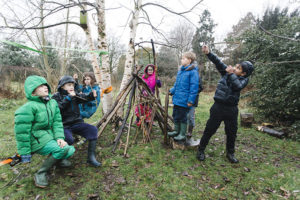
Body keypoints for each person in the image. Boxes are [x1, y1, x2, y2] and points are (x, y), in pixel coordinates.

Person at [14, 75, 75, 188]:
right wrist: (25, 153)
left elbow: (57, 123)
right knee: (64, 149)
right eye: (40, 86)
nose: (45, 87)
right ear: (33, 93)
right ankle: (41, 173)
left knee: (71, 149)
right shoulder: (27, 108)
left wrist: (60, 138)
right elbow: (22, 133)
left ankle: (58, 160)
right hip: (35, 140)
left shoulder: (52, 103)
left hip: (48, 136)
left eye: (45, 85)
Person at [196, 45, 254, 163]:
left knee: (231, 133)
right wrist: (208, 53)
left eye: (238, 68)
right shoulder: (226, 72)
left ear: (243, 74)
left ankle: (230, 154)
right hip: (218, 107)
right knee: (209, 129)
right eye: (236, 66)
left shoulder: (243, 80)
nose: (234, 67)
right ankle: (200, 150)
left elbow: (237, 86)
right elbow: (218, 62)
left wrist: (231, 73)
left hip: (232, 110)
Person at [52, 76, 101, 167]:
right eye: (69, 85)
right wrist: (69, 98)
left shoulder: (75, 94)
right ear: (62, 86)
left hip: (76, 123)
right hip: (63, 125)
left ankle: (91, 158)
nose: (72, 87)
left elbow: (84, 97)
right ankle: (61, 159)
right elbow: (57, 108)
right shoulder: (56, 96)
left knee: (93, 130)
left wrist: (91, 95)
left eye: (73, 85)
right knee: (69, 139)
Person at [167, 52, 200, 142]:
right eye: (182, 58)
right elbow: (176, 84)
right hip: (177, 99)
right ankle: (176, 131)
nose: (181, 60)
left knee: (183, 117)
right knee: (176, 115)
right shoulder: (181, 71)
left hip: (184, 100)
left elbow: (194, 88)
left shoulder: (193, 72)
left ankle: (182, 134)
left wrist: (190, 100)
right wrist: (172, 91)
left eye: (183, 58)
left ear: (189, 60)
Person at [186, 61, 203, 146]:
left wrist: (193, 93)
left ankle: (189, 132)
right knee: (184, 116)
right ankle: (182, 131)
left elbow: (200, 87)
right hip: (184, 99)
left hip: (192, 100)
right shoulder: (185, 74)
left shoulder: (197, 76)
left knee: (190, 116)